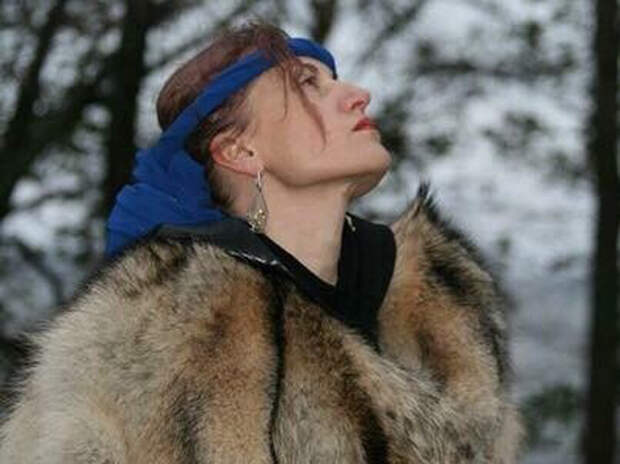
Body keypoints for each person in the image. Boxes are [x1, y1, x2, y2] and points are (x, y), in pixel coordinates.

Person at [0, 21, 524, 463]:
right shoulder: (160, 337)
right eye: (308, 85)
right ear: (240, 151)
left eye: (335, 78)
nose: (357, 93)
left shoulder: (444, 312)